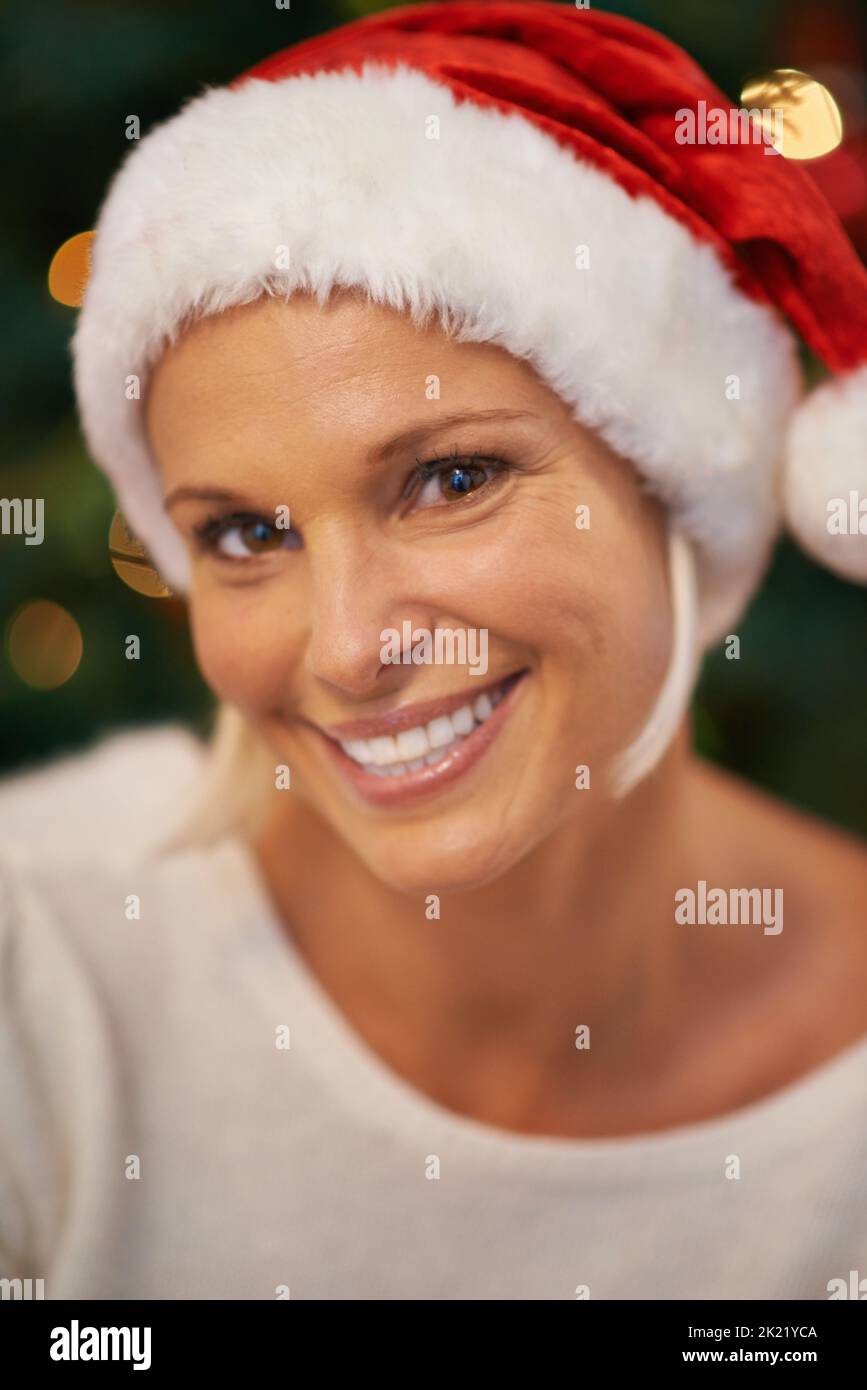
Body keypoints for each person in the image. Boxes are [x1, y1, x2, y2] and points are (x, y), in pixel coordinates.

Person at [2, 1, 867, 1301]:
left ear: (675, 476)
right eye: (243, 532)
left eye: (451, 476)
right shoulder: (38, 966)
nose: (348, 647)